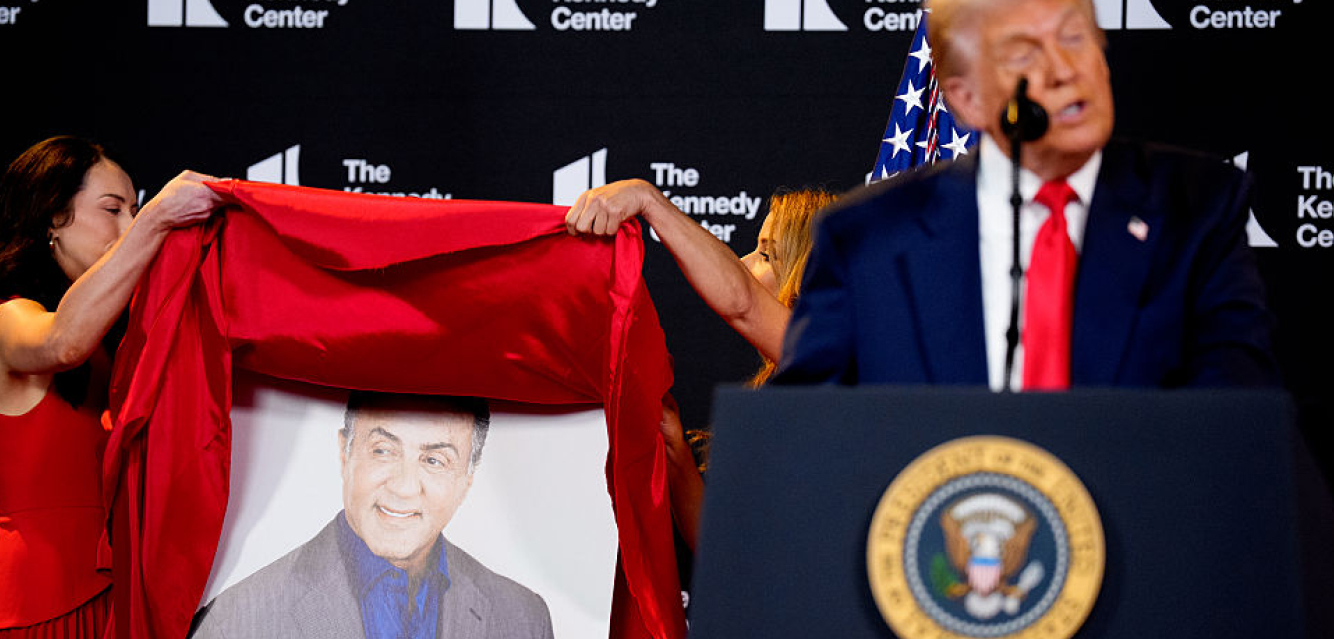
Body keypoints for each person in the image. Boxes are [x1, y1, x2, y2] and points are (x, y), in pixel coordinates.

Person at [774, 0, 1278, 389]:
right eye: (1025, 55)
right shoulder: (869, 237)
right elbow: (809, 430)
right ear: (967, 100)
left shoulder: (1196, 209)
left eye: (1075, 38)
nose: (1064, 69)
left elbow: (1236, 419)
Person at [0, 136, 221, 637]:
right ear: (53, 218)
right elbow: (61, 344)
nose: (127, 227)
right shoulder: (10, 319)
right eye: (112, 209)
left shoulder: (114, 342)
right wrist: (156, 221)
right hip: (37, 608)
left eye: (135, 211)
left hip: (113, 599)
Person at [564, 180, 834, 548]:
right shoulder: (780, 387)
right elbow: (722, 546)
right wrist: (675, 450)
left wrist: (648, 200)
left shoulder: (830, 359)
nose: (744, 264)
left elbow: (741, 302)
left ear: (809, 278)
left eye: (766, 255)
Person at [191, 392, 554, 639]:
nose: (404, 487)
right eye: (383, 450)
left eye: (434, 460)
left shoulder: (524, 618)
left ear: (466, 480)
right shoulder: (233, 623)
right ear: (345, 453)